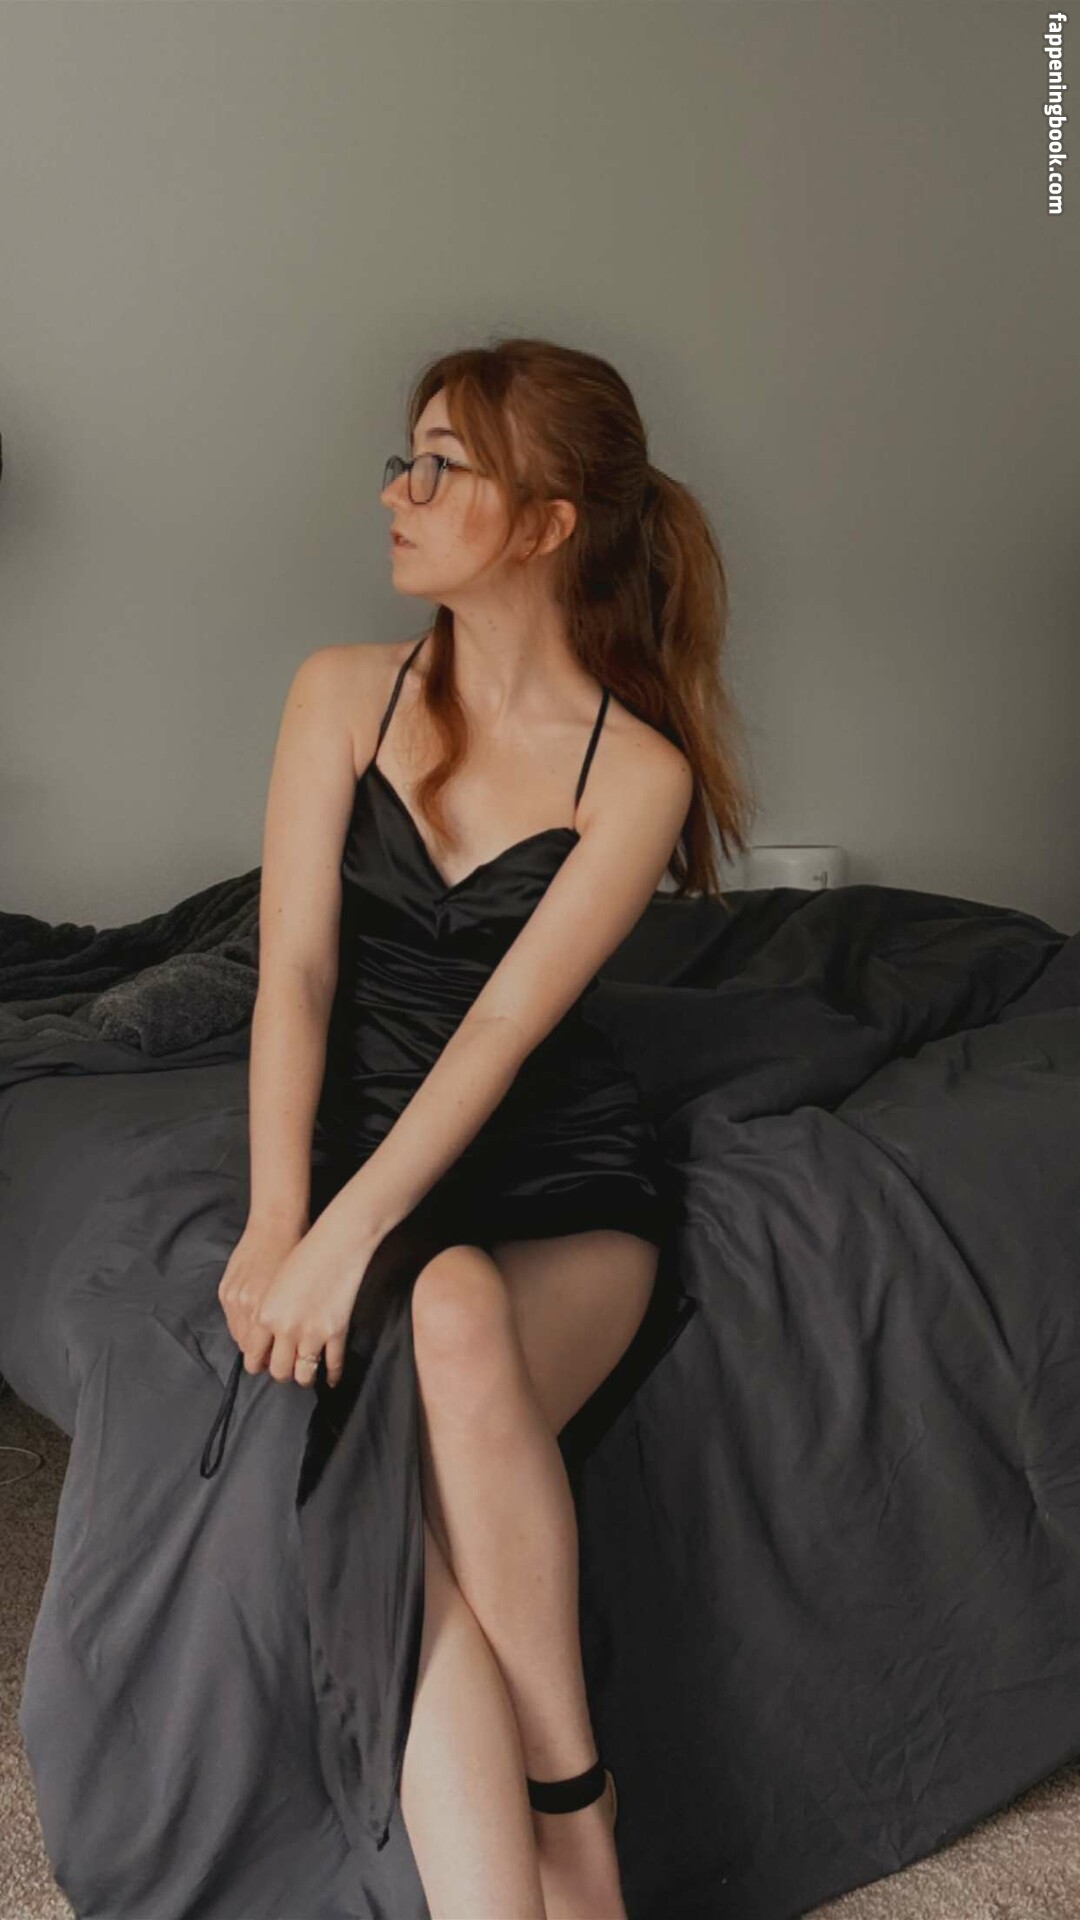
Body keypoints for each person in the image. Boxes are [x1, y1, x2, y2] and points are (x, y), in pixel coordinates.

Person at [199, 336, 754, 1918]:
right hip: (365, 1150)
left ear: (546, 524)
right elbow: (297, 975)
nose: (397, 490)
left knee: (445, 1313)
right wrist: (278, 1218)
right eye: (406, 457)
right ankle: (566, 1858)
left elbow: (506, 1032)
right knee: (421, 1358)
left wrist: (346, 1238)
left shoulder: (636, 773)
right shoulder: (339, 691)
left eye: (442, 468)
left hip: (555, 1169)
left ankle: (568, 1805)